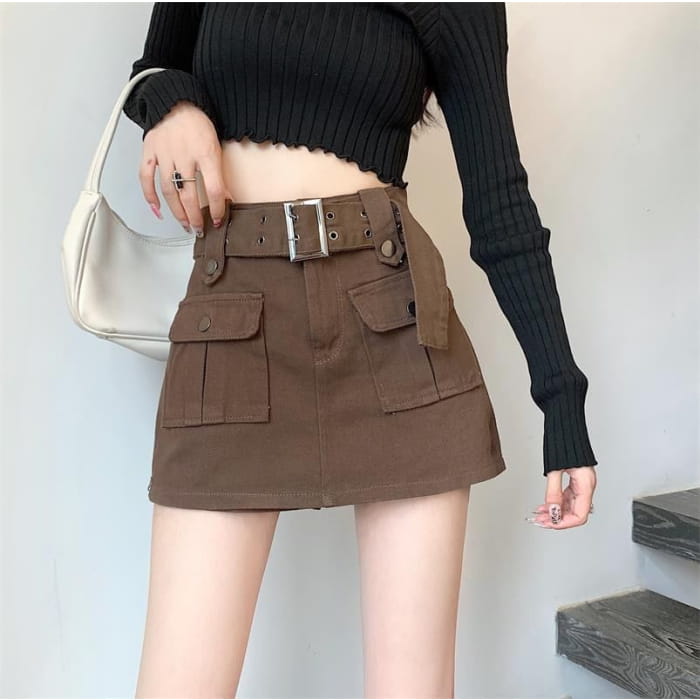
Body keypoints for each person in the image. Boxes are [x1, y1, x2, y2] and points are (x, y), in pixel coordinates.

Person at [122, 2, 598, 697]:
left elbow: (500, 206)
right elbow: (153, 70)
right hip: (231, 319)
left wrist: (564, 403)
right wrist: (174, 106)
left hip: (395, 325)